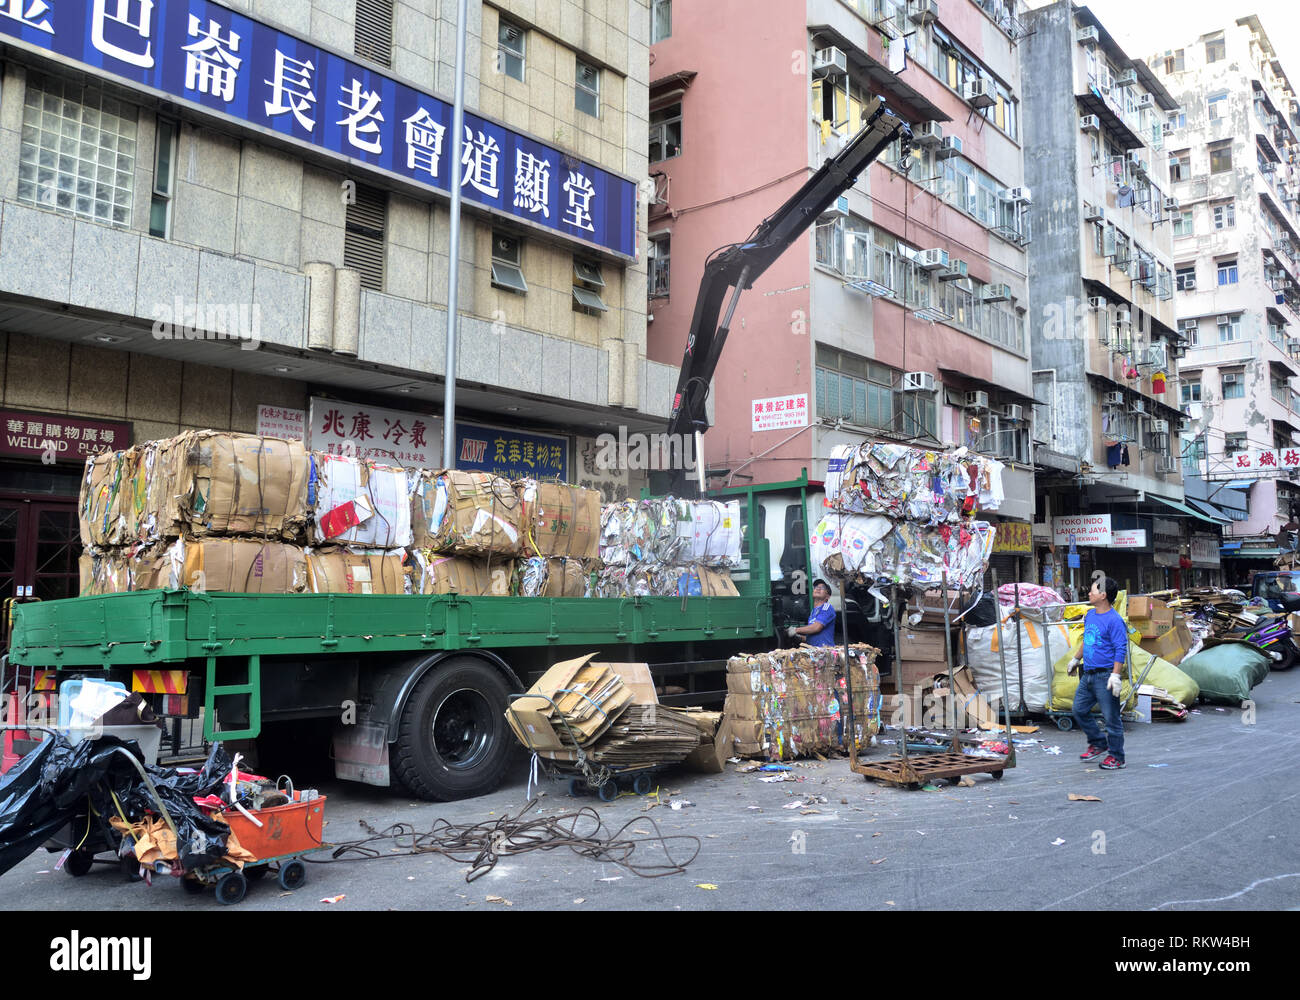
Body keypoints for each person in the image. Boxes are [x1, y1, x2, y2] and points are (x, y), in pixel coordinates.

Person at [1066, 575, 1128, 770]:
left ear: (1103, 595)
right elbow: (1088, 639)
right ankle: (1098, 742)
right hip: (1088, 673)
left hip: (1105, 675)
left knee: (1111, 719)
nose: (1089, 593)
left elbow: (1121, 649)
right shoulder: (1091, 615)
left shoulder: (1115, 620)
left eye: (1093, 590)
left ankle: (1117, 757)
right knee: (1079, 709)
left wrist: (1115, 675)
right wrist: (1076, 659)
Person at [787, 579, 837, 647]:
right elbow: (812, 637)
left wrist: (796, 630)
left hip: (825, 651)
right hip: (815, 651)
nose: (818, 588)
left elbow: (816, 627)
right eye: (816, 587)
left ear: (827, 596)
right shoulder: (813, 612)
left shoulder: (826, 607)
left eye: (822, 588)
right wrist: (799, 637)